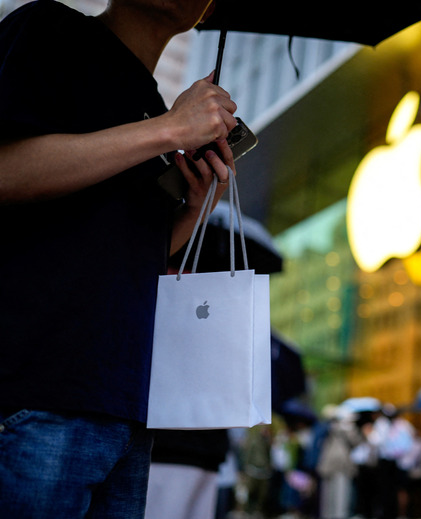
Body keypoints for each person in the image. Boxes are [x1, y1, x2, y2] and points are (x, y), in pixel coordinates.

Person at [0, 0, 239, 516]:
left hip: (125, 406)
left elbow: (130, 258)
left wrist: (195, 208)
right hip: (34, 392)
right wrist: (171, 130)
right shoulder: (48, 28)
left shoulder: (155, 105)